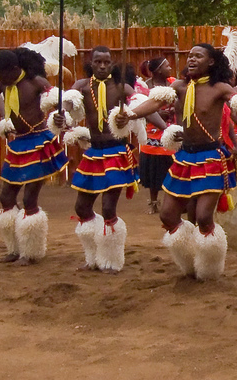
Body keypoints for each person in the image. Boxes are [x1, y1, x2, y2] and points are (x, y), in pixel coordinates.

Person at [119, 43, 237, 281]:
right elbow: (154, 103)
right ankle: (188, 262)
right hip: (185, 157)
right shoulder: (178, 87)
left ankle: (209, 269)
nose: (192, 59)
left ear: (211, 62)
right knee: (167, 215)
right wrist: (131, 115)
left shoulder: (220, 88)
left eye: (199, 56)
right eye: (190, 55)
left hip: (211, 158)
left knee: (205, 217)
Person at [0, 47, 68, 265]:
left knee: (29, 199)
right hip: (18, 145)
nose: (0, 80)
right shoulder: (2, 83)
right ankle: (15, 248)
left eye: (3, 75)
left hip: (39, 143)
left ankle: (31, 253)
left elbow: (60, 105)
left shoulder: (36, 82)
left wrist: (61, 117)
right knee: (6, 198)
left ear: (14, 69)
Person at [60, 46, 161, 273]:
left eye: (107, 62)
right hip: (93, 152)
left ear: (112, 64)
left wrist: (166, 129)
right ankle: (93, 256)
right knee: (82, 207)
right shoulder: (81, 86)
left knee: (108, 209)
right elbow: (67, 105)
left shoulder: (122, 87)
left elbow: (143, 106)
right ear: (91, 63)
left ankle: (112, 260)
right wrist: (61, 115)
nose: (103, 66)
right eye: (98, 62)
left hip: (116, 152)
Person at [138, 57, 177, 213]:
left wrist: (174, 110)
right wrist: (157, 113)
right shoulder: (145, 87)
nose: (170, 67)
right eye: (167, 66)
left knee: (172, 168)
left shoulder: (173, 83)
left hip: (172, 130)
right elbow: (140, 107)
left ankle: (172, 201)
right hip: (152, 134)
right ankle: (153, 202)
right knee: (154, 171)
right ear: (158, 70)